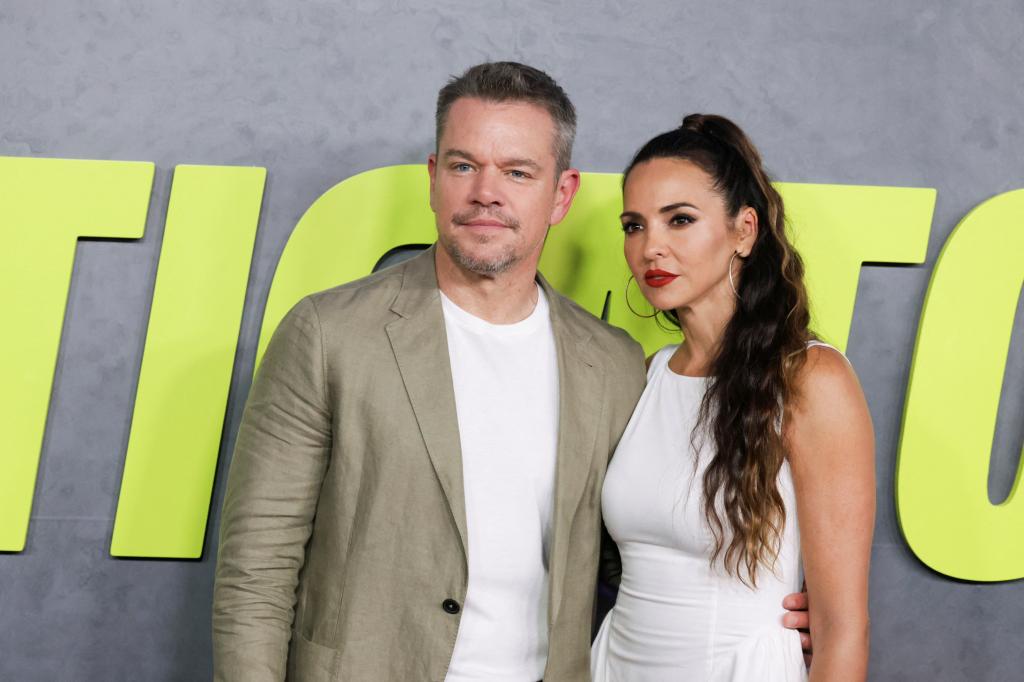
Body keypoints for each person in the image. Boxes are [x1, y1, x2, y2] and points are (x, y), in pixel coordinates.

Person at [213, 63, 810, 681]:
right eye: (463, 165)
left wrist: (776, 613)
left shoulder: (611, 363)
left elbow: (633, 549)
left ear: (562, 195)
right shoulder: (327, 333)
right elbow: (256, 572)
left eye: (517, 172)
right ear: (433, 178)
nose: (485, 193)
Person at [591, 114, 875, 681]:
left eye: (680, 220)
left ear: (744, 231)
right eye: (634, 226)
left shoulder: (811, 379)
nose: (652, 247)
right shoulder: (647, 377)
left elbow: (843, 632)